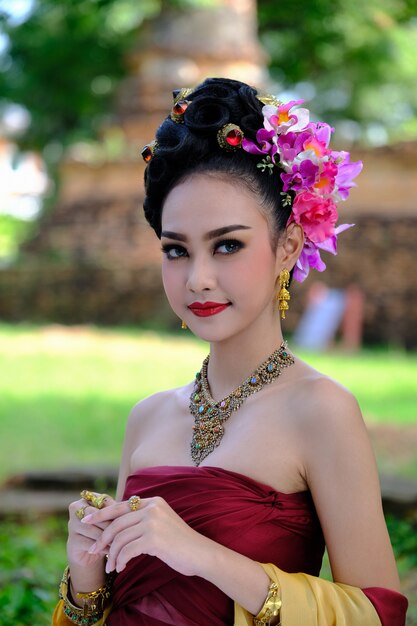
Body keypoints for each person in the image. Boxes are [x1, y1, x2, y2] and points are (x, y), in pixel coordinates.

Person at [52, 77, 408, 626]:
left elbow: (377, 614)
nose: (197, 279)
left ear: (287, 246)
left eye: (227, 245)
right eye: (176, 250)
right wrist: (85, 580)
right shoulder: (147, 418)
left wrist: (202, 556)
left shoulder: (322, 410)